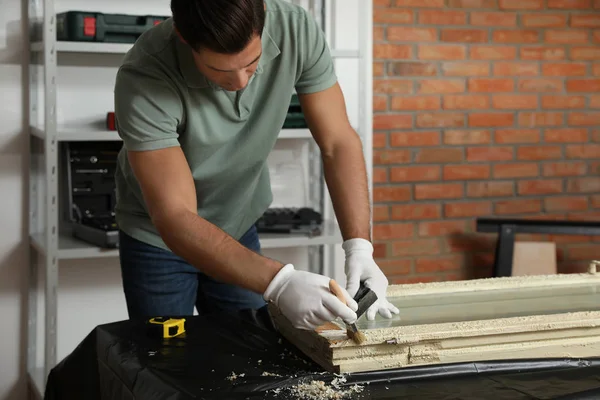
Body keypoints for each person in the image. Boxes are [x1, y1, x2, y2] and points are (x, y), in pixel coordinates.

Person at [113, 0, 399, 331]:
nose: (241, 83)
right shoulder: (144, 75)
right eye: (220, 70)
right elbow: (176, 216)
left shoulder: (295, 29)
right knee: (164, 363)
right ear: (183, 38)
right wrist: (278, 282)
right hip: (157, 240)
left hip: (237, 224)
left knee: (251, 353)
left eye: (251, 65)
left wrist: (359, 248)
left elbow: (338, 142)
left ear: (263, 19)